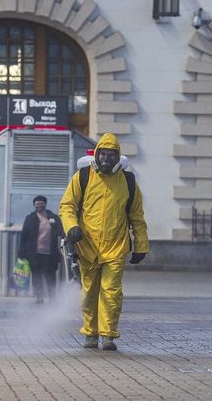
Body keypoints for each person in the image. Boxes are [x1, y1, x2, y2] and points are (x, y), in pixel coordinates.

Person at [60, 133, 149, 351]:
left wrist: (141, 246)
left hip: (116, 247)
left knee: (111, 291)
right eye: (103, 154)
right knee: (89, 292)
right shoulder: (83, 177)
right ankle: (90, 333)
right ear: (96, 155)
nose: (106, 159)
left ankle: (108, 335)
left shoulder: (128, 182)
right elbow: (67, 206)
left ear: (118, 157)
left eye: (111, 155)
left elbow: (136, 216)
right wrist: (72, 227)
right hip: (87, 246)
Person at [18, 195, 65, 304]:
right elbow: (24, 236)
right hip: (35, 254)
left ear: (45, 204)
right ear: (34, 205)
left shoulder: (53, 217)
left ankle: (52, 297)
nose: (39, 206)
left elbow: (61, 231)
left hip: (50, 253)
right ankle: (39, 297)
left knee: (51, 276)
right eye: (37, 204)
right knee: (36, 276)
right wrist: (22, 253)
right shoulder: (30, 218)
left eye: (41, 203)